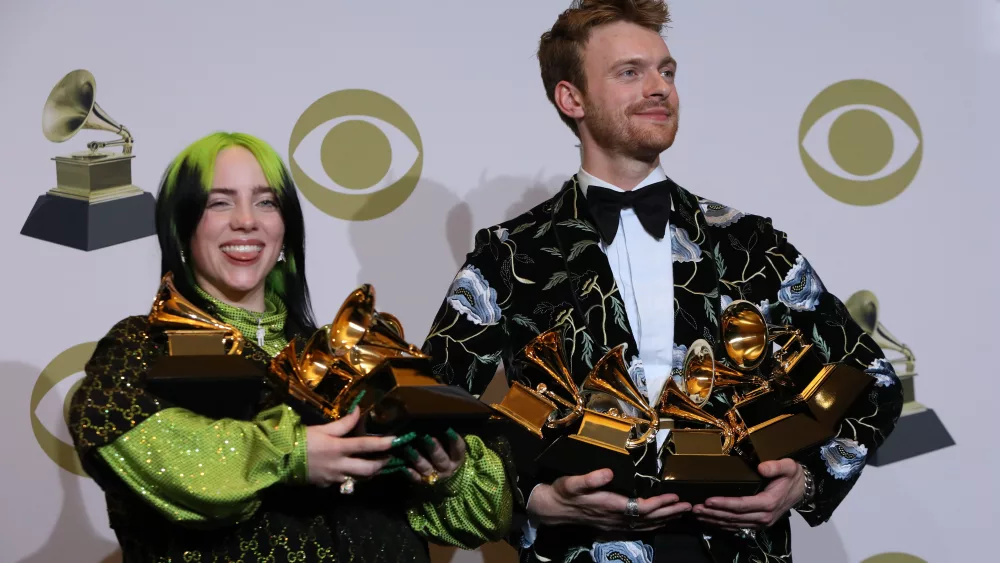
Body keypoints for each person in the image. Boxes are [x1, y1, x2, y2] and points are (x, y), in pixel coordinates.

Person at [420, 1, 903, 562]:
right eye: (630, 72)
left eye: (666, 71)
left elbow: (872, 381)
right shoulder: (509, 256)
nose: (659, 88)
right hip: (578, 550)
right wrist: (534, 500)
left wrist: (806, 482)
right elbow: (431, 411)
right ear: (571, 98)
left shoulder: (749, 245)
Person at [67, 132, 514, 562]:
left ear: (285, 232)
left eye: (266, 202)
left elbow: (481, 517)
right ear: (182, 229)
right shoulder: (140, 346)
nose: (247, 219)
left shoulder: (350, 352)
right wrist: (292, 454)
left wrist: (446, 474)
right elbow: (150, 450)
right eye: (219, 202)